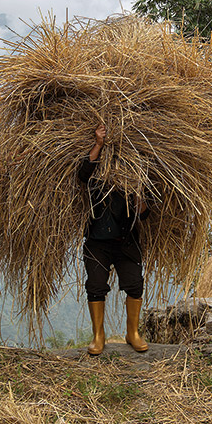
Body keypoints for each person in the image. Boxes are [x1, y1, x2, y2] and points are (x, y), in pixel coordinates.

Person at [78, 124, 149, 355]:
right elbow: (83, 173)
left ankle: (132, 333)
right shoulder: (94, 181)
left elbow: (144, 213)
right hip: (97, 243)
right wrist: (98, 144)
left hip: (125, 243)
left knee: (135, 284)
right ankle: (99, 336)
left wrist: (138, 194)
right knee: (96, 286)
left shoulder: (132, 181)